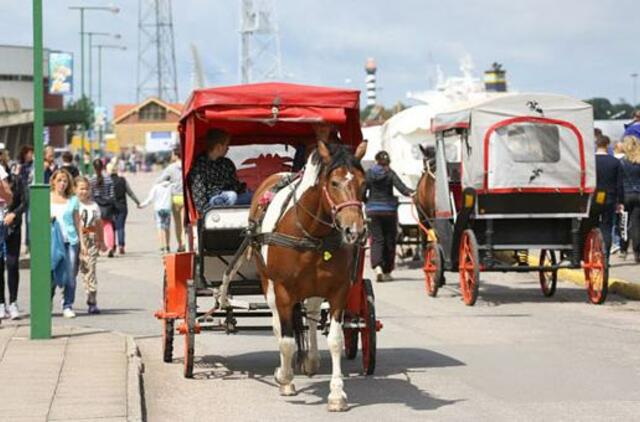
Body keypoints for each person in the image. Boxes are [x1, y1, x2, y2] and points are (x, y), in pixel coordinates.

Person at [365, 150, 414, 282]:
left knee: (376, 240)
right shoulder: (390, 173)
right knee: (389, 240)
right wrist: (413, 193)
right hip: (389, 211)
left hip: (372, 211)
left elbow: (363, 190)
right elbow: (402, 189)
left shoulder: (369, 174)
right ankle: (387, 271)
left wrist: (367, 202)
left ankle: (378, 268)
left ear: (376, 161)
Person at [188, 129, 252, 213]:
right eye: (226, 145)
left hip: (232, 196)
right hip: (213, 202)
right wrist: (208, 214)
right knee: (231, 196)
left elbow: (235, 185)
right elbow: (199, 196)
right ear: (218, 147)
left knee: (254, 196)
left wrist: (243, 188)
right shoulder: (199, 166)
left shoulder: (227, 163)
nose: (228, 148)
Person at [50, 169, 84, 318]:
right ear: (53, 182)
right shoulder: (46, 198)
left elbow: (78, 223)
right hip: (52, 242)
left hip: (70, 241)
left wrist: (82, 244)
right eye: (59, 180)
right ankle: (47, 301)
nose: (62, 183)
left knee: (70, 275)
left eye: (65, 181)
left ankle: (67, 304)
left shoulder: (73, 200)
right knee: (51, 272)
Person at [76, 176, 107, 314]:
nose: (84, 191)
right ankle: (67, 299)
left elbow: (99, 223)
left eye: (87, 188)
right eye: (81, 188)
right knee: (82, 270)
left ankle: (92, 299)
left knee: (91, 269)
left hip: (92, 238)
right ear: (75, 189)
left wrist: (101, 240)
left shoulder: (94, 206)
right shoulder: (74, 205)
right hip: (77, 239)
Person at [595, 136, 624, 261]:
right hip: (609, 197)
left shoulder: (591, 161)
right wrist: (621, 201)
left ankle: (594, 251)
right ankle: (605, 256)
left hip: (594, 197)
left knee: (593, 224)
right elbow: (619, 184)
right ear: (607, 145)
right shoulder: (614, 162)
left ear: (596, 144)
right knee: (607, 226)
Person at [108, 159, 140, 255]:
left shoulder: (107, 181)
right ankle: (121, 245)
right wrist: (137, 202)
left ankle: (112, 246)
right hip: (122, 206)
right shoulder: (123, 180)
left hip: (111, 207)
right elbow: (130, 193)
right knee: (121, 226)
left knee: (112, 227)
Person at [0, 159, 17, 321]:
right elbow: (8, 196)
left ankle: (10, 303)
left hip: (5, 225)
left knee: (9, 263)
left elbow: (10, 198)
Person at [159, 146, 185, 252]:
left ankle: (179, 244)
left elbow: (160, 180)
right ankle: (184, 243)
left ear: (175, 155)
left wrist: (169, 183)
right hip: (185, 198)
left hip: (175, 198)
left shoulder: (170, 168)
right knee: (185, 224)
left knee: (177, 223)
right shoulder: (187, 165)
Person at [619, 135, 640, 262]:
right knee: (637, 224)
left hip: (625, 195)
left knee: (624, 223)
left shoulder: (621, 162)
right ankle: (637, 252)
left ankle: (623, 249)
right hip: (639, 194)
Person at [90, 159, 117, 257]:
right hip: (107, 206)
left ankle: (97, 247)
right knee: (108, 226)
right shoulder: (108, 178)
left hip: (96, 204)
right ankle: (109, 247)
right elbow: (112, 194)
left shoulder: (91, 179)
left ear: (93, 168)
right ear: (103, 167)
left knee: (96, 227)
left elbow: (91, 194)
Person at [139, 179, 173, 253]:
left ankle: (162, 247)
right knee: (167, 228)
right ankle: (167, 246)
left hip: (158, 209)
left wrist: (142, 205)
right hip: (167, 208)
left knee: (160, 228)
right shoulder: (171, 186)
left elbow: (150, 199)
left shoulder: (156, 187)